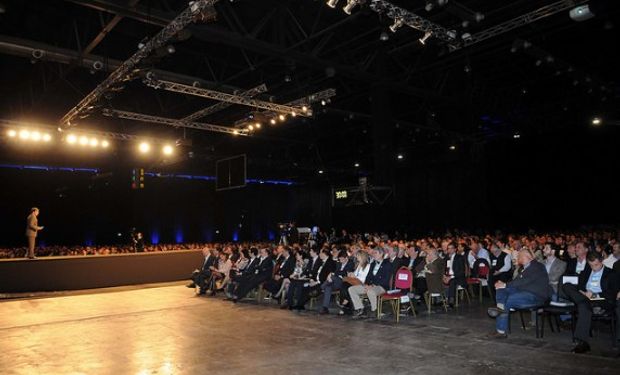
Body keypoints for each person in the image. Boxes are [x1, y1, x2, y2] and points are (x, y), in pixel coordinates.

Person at [486, 249, 552, 339]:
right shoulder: (523, 268)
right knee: (501, 290)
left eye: (519, 256)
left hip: (536, 296)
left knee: (510, 298)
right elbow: (516, 282)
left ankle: (502, 311)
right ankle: (502, 308)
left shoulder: (537, 266)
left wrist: (505, 284)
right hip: (524, 292)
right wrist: (503, 285)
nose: (517, 258)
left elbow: (524, 281)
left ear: (526, 256)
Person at [562, 251, 619, 353]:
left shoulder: (611, 273)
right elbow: (580, 285)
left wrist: (594, 295)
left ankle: (582, 343)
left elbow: (612, 294)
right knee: (567, 286)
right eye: (591, 265)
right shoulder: (587, 271)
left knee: (583, 306)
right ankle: (587, 303)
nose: (594, 268)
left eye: (596, 265)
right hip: (585, 298)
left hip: (600, 300)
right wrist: (582, 292)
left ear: (601, 261)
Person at [348, 247, 393, 317]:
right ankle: (360, 309)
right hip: (370, 286)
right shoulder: (372, 264)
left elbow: (386, 279)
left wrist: (373, 286)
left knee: (370, 291)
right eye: (373, 253)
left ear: (381, 254)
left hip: (381, 286)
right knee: (352, 289)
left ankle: (375, 311)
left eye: (375, 253)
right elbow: (368, 277)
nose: (373, 255)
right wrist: (366, 284)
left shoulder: (387, 264)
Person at [319, 250, 354, 315]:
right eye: (339, 259)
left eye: (342, 259)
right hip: (336, 282)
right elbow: (336, 271)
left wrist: (333, 274)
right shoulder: (338, 263)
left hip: (344, 282)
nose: (340, 261)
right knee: (328, 287)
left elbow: (345, 273)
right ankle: (325, 308)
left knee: (332, 277)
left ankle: (321, 287)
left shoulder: (350, 263)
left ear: (346, 258)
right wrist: (333, 274)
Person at [444, 242, 466, 306]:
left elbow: (462, 272)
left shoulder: (459, 257)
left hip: (457, 277)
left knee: (452, 281)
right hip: (448, 275)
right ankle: (440, 299)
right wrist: (444, 276)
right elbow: (443, 269)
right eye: (448, 248)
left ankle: (451, 300)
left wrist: (451, 277)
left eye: (451, 248)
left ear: (455, 249)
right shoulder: (446, 258)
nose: (450, 250)